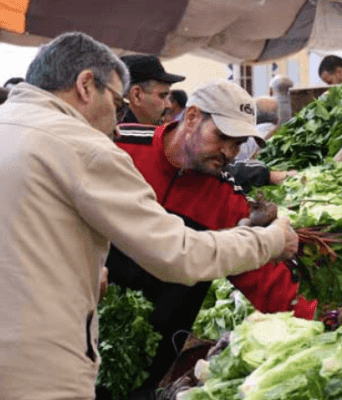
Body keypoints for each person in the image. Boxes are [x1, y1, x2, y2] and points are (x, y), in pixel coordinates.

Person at [0, 32, 297, 400]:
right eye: (117, 101)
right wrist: (270, 239)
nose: (117, 118)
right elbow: (179, 253)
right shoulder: (93, 147)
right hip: (42, 368)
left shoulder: (9, 127)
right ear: (85, 85)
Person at [109, 80, 315, 397]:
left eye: (238, 143)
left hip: (152, 355)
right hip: (78, 334)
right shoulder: (120, 149)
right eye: (222, 137)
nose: (229, 152)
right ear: (191, 117)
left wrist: (325, 318)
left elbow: (265, 279)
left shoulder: (225, 199)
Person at [120, 54, 185, 125]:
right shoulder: (120, 134)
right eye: (163, 96)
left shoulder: (114, 130)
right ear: (136, 96)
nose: (169, 105)